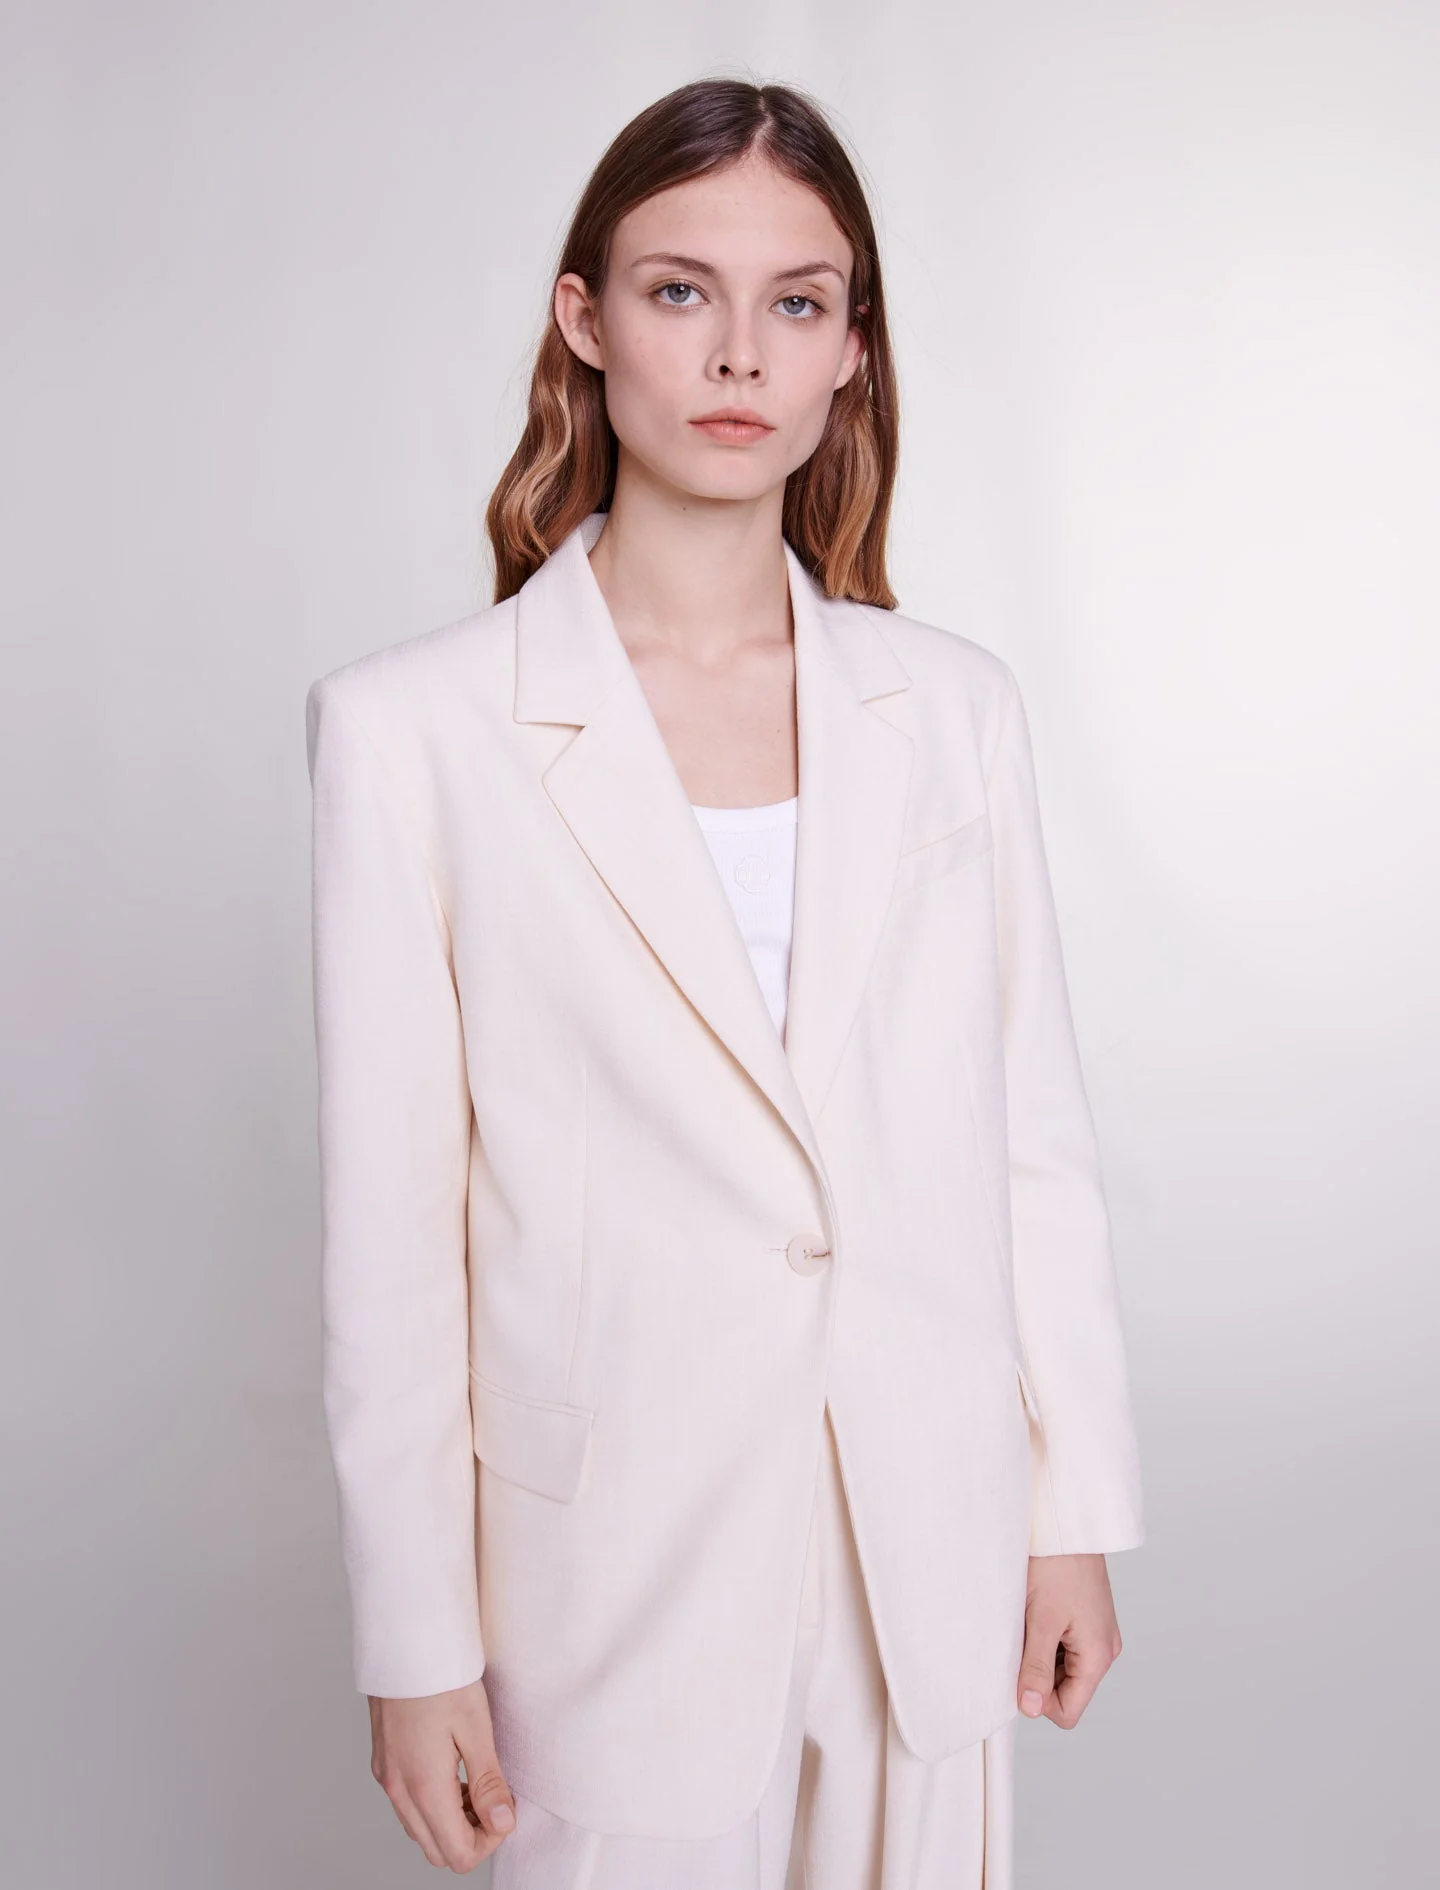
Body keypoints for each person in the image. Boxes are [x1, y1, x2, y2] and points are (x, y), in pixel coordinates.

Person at [305, 76, 1145, 1888]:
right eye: (680, 290)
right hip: (607, 1581)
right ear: (585, 318)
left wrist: (1070, 1505)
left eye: (798, 300)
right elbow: (394, 1240)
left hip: (919, 1552)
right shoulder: (410, 735)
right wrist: (413, 1642)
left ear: (854, 349)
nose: (739, 351)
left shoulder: (954, 713)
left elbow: (1030, 1143)